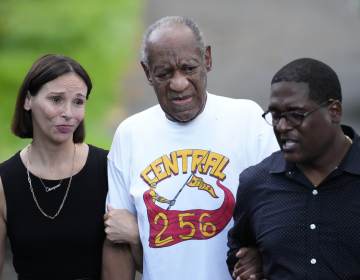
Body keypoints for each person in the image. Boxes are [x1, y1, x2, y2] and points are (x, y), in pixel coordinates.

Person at [103, 16, 278, 280]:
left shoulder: (249, 120)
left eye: (188, 68)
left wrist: (261, 254)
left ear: (207, 59)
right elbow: (117, 241)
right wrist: (137, 238)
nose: (178, 84)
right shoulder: (130, 135)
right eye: (164, 73)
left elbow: (283, 211)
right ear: (147, 72)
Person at [227, 58, 360, 279]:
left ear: (334, 111)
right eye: (276, 115)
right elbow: (239, 253)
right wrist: (251, 263)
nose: (281, 126)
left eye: (296, 115)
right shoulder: (257, 183)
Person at [0, 54, 109, 279]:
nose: (68, 113)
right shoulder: (4, 181)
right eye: (56, 99)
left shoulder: (107, 169)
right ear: (28, 100)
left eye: (78, 102)